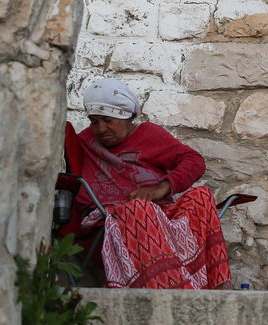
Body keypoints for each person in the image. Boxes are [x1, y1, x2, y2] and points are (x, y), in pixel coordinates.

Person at [64, 77, 231, 289]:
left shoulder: (149, 135)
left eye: (108, 120)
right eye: (94, 121)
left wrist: (161, 188)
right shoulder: (85, 142)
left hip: (160, 213)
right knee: (139, 209)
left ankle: (214, 287)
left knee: (201, 196)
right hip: (108, 219)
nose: (101, 129)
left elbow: (194, 161)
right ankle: (172, 288)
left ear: (125, 117)